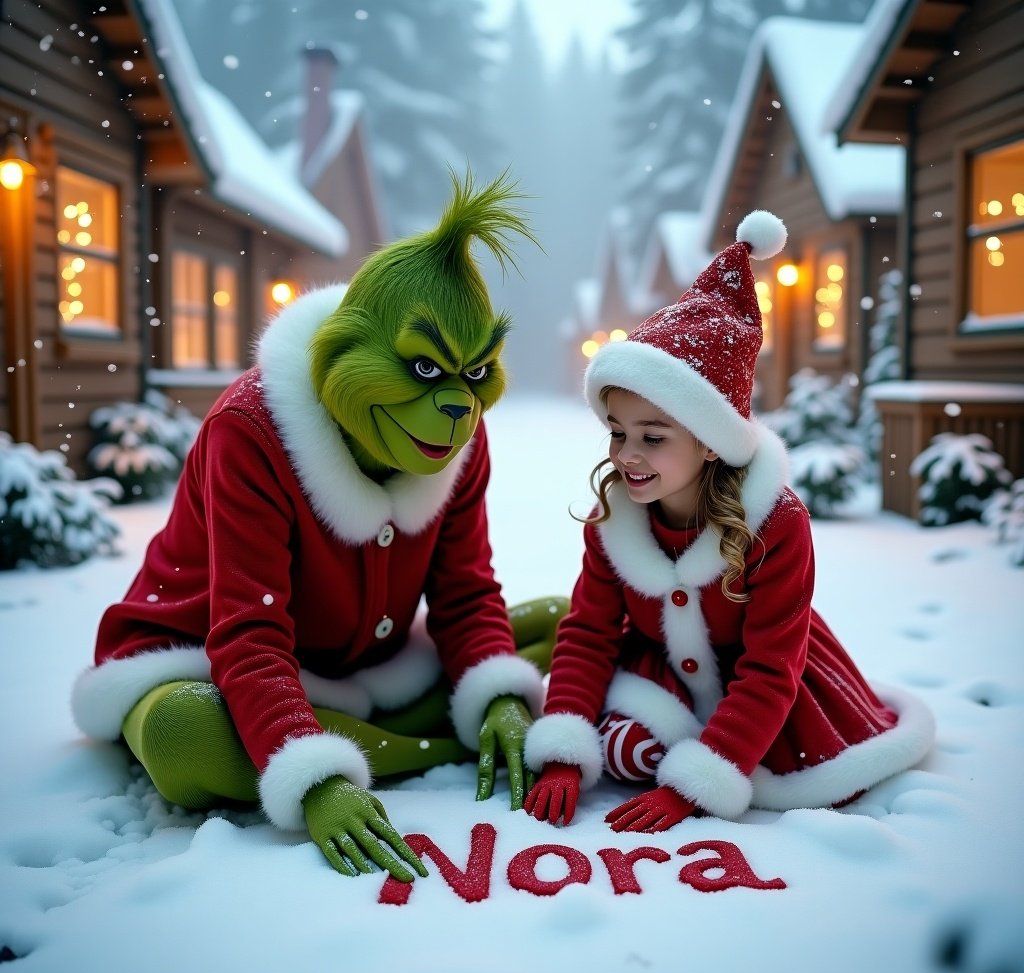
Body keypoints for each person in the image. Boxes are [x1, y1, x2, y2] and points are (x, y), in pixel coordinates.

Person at [72, 171, 567, 879]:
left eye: (474, 371)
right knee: (183, 734)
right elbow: (247, 631)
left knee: (562, 620)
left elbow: (464, 591)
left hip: (363, 665)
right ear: (347, 352)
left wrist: (499, 699)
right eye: (424, 367)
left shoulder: (459, 437)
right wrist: (318, 781)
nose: (457, 405)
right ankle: (404, 748)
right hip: (207, 662)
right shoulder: (250, 431)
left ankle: (407, 734)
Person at [523, 211, 934, 831]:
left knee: (789, 767)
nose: (626, 455)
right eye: (617, 433)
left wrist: (698, 784)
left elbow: (772, 667)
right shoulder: (618, 519)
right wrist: (562, 752)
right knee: (627, 752)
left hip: (771, 682)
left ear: (711, 441)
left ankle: (729, 751)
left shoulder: (776, 524)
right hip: (664, 662)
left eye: (653, 438)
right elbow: (588, 633)